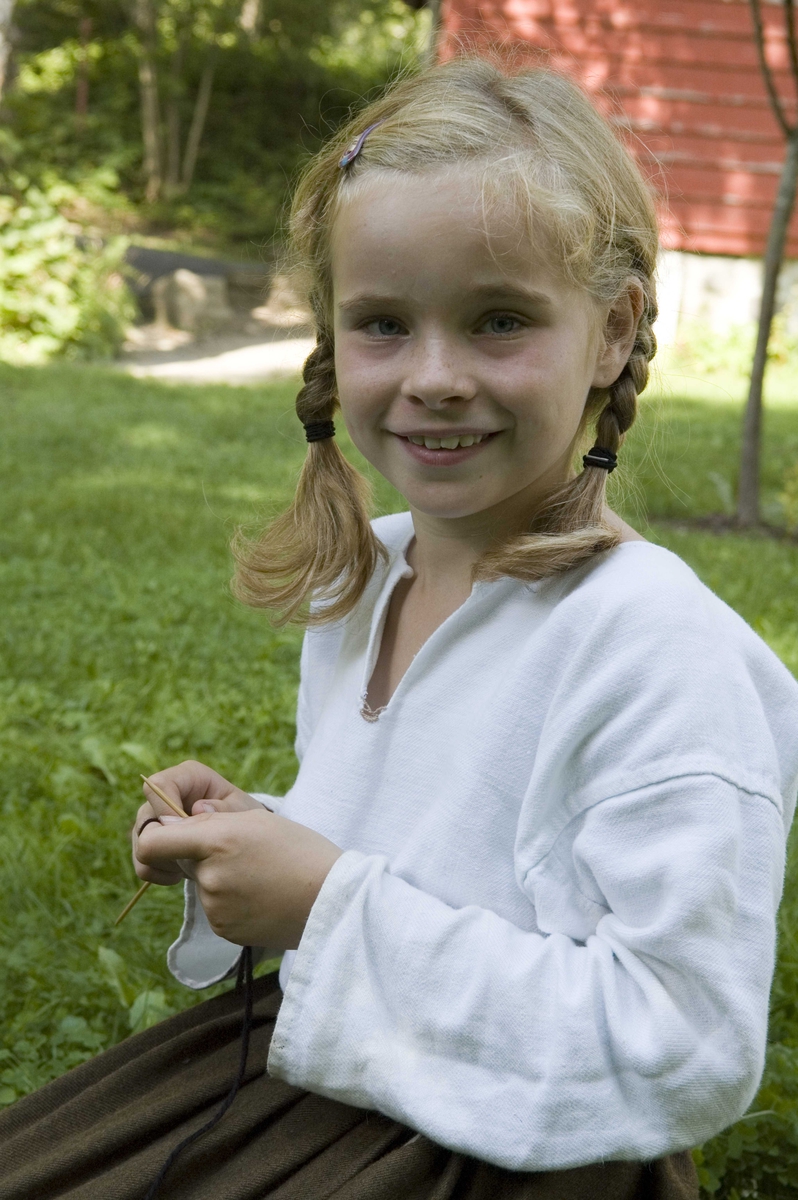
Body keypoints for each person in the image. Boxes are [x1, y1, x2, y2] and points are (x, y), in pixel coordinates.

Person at [3, 57, 798, 1200]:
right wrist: (260, 836)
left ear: (613, 332)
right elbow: (432, 848)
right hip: (320, 1080)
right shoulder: (370, 572)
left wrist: (324, 903)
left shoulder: (658, 649)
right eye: (383, 324)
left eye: (499, 322)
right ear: (333, 337)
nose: (434, 377)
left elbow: (682, 1043)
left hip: (495, 1155)